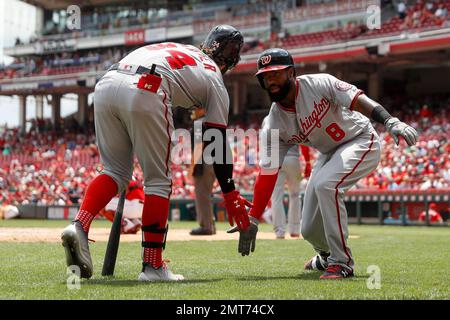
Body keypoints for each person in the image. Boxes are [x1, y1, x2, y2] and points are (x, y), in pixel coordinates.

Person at [61, 25, 252, 281]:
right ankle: (153, 266)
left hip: (107, 83)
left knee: (114, 172)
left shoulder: (181, 49)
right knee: (158, 182)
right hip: (147, 87)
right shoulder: (213, 75)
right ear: (231, 59)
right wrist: (231, 196)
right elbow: (215, 140)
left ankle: (79, 225)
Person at [229, 48, 418, 279]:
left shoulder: (318, 83)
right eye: (265, 76)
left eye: (276, 73)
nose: (270, 80)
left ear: (291, 72)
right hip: (328, 153)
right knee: (308, 229)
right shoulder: (273, 124)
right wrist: (254, 217)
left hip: (359, 139)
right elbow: (267, 173)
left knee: (327, 185)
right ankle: (326, 255)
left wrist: (389, 120)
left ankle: (342, 262)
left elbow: (358, 99)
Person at [270, 144, 311, 239]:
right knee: (295, 195)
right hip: (293, 160)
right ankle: (295, 230)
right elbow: (304, 144)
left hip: (276, 160)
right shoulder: (296, 127)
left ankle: (279, 231)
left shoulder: (273, 128)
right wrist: (308, 162)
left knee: (276, 196)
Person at [189, 108, 217, 236]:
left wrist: (191, 168)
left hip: (205, 163)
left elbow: (199, 147)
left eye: (195, 109)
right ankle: (210, 224)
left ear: (202, 109)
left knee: (202, 195)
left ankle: (206, 226)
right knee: (206, 194)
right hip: (216, 162)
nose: (192, 111)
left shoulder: (200, 123)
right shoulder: (213, 121)